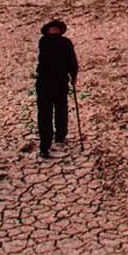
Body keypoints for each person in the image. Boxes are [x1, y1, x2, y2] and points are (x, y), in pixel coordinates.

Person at [34, 19, 79, 158]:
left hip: (44, 82)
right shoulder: (65, 42)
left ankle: (45, 145)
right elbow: (72, 61)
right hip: (58, 82)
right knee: (60, 110)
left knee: (45, 113)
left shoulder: (43, 41)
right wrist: (73, 76)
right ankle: (58, 138)